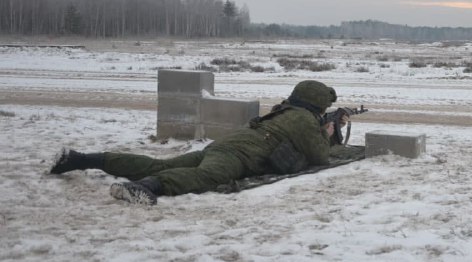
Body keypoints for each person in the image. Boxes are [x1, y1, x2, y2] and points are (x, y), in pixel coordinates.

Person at [49, 80, 342, 206]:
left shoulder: (286, 110)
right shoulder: (305, 120)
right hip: (237, 156)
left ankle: (80, 159)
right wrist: (328, 133)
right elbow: (319, 156)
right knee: (205, 177)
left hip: (226, 145)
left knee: (158, 163)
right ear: (317, 104)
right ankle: (146, 188)